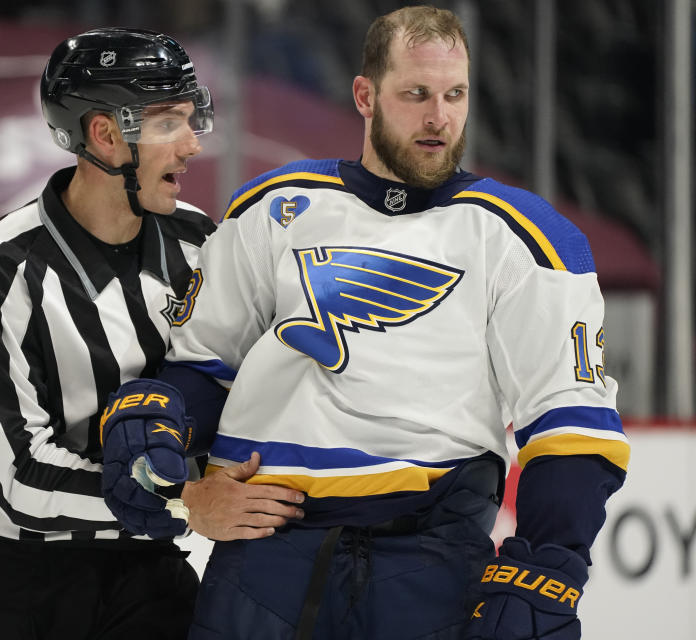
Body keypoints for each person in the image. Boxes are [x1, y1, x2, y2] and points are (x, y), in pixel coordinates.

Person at [98, 6, 630, 640]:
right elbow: (206, 367)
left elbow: (570, 423)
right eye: (416, 94)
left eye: (454, 94)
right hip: (264, 561)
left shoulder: (526, 237)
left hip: (430, 564)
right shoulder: (274, 210)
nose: (440, 117)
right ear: (365, 95)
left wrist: (550, 565)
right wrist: (161, 423)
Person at [0, 27, 302, 640]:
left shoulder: (201, 243)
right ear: (106, 135)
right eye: (170, 122)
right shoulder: (1, 267)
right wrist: (180, 500)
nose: (193, 145)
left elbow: (247, 385)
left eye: (194, 119)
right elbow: (12, 477)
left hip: (144, 572)